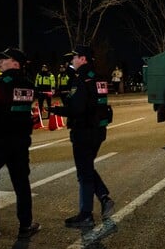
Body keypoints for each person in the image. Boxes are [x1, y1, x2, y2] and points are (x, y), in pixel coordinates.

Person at [48, 45, 115, 228]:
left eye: (75, 57)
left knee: (84, 173)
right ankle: (104, 197)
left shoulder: (81, 80)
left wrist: (56, 109)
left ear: (83, 59)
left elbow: (76, 108)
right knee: (87, 167)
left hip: (84, 131)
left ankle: (86, 214)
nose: (72, 61)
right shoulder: (99, 78)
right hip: (98, 130)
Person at [0, 47, 40, 239]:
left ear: (15, 63)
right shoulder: (29, 85)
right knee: (21, 183)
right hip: (19, 142)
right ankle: (25, 225)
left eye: (4, 60)